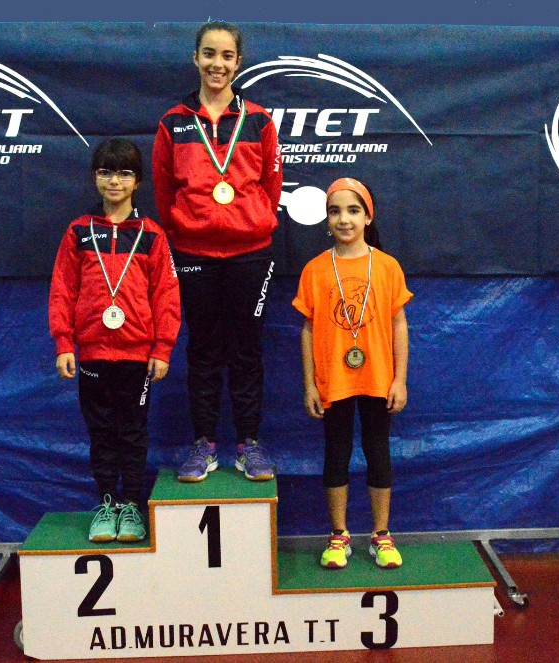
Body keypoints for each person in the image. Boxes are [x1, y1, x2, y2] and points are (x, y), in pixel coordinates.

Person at [152, 20, 282, 483]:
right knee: (203, 349)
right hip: (194, 252)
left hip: (251, 253)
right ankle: (204, 444)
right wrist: (189, 227)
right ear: (195, 58)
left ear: (238, 62)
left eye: (227, 56)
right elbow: (163, 190)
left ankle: (249, 445)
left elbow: (270, 186)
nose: (217, 64)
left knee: (246, 350)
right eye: (209, 54)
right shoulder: (173, 122)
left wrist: (250, 221)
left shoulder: (259, 120)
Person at [49, 138, 181, 543]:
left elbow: (166, 295)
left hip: (137, 355)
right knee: (101, 432)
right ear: (95, 177)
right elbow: (62, 290)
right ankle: (107, 504)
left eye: (124, 173)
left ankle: (133, 507)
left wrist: (162, 348)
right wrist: (64, 343)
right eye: (106, 172)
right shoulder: (78, 232)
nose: (114, 181)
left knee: (132, 433)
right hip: (91, 353)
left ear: (138, 181)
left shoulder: (151, 235)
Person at [292, 178, 412, 570]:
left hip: (378, 378)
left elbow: (398, 323)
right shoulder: (315, 269)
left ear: (368, 217)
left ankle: (381, 535)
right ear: (327, 219)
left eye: (353, 210)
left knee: (378, 451)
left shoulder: (387, 266)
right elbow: (308, 330)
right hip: (334, 380)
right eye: (335, 211)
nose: (344, 219)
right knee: (336, 452)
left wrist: (399, 379)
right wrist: (310, 384)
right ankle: (339, 535)